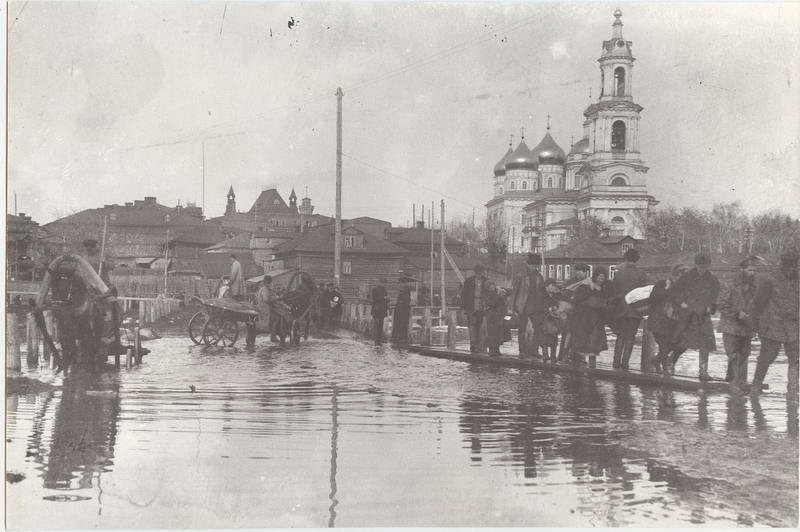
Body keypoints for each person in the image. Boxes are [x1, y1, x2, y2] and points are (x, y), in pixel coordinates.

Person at [751, 251, 799, 399]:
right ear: (782, 265)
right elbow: (758, 304)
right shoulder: (770, 280)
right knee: (766, 358)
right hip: (772, 326)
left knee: (795, 358)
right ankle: (756, 387)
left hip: (794, 327)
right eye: (787, 267)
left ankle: (792, 390)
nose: (790, 270)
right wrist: (755, 326)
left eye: (793, 267)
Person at [670, 253, 719, 381]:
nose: (702, 269)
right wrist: (682, 303)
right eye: (700, 266)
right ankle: (670, 362)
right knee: (684, 343)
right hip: (689, 315)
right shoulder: (687, 277)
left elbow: (715, 296)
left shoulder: (713, 279)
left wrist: (711, 306)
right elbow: (674, 292)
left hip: (703, 316)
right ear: (696, 264)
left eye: (705, 266)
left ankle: (703, 372)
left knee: (705, 344)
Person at [718, 257, 759, 393]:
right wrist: (737, 313)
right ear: (741, 270)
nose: (752, 273)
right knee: (733, 355)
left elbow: (758, 307)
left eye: (754, 270)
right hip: (730, 326)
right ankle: (735, 385)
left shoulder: (755, 287)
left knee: (745, 354)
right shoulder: (729, 285)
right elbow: (722, 305)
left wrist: (753, 319)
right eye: (749, 270)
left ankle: (737, 382)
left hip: (746, 327)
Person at [610, 248, 649, 369]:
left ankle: (616, 362)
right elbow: (643, 293)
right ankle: (625, 362)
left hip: (620, 309)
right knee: (630, 337)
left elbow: (614, 290)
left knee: (620, 336)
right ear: (636, 260)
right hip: (634, 310)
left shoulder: (618, 272)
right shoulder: (641, 273)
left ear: (626, 258)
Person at [648, 264, 690, 374]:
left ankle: (657, 361)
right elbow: (653, 298)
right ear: (676, 274)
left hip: (673, 322)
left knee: (682, 343)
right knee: (664, 344)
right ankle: (665, 368)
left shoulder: (683, 288)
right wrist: (666, 289)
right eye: (682, 275)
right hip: (658, 320)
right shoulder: (662, 283)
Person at [568, 266, 612, 368]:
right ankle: (576, 363)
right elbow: (577, 299)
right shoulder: (585, 286)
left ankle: (592, 364)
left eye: (603, 278)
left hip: (597, 319)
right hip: (583, 318)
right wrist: (591, 290)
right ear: (595, 277)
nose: (601, 280)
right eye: (599, 278)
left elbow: (607, 301)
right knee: (580, 341)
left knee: (594, 341)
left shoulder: (605, 288)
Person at [511, 253, 548, 359]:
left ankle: (534, 350)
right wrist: (513, 307)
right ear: (528, 264)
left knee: (538, 329)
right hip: (523, 305)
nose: (534, 267)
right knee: (521, 329)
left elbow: (543, 291)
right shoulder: (521, 276)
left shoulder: (539, 276)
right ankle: (522, 351)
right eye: (532, 265)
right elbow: (515, 291)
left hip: (536, 307)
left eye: (536, 265)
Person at [461, 265, 489, 353]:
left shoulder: (486, 281)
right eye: (477, 273)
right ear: (475, 272)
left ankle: (481, 345)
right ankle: (473, 345)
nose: (479, 275)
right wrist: (464, 307)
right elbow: (464, 294)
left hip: (482, 307)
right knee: (472, 326)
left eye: (480, 273)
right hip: (471, 306)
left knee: (481, 326)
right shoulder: (469, 281)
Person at [247, 275, 275, 346]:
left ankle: (273, 333)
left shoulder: (262, 289)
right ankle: (272, 332)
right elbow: (266, 299)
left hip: (260, 306)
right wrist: (274, 299)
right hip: (264, 308)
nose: (269, 284)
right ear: (268, 282)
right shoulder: (265, 290)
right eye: (269, 283)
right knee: (275, 315)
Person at [539, 280, 563, 363]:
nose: (554, 287)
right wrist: (548, 310)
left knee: (554, 337)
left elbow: (558, 304)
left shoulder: (555, 295)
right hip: (545, 318)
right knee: (545, 337)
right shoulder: (542, 294)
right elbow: (540, 306)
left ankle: (553, 356)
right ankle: (545, 355)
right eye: (552, 285)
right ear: (547, 286)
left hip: (554, 319)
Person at [483, 280, 508, 356]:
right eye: (490, 286)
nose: (492, 287)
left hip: (498, 316)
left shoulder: (496, 294)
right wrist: (499, 295)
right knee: (492, 333)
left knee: (498, 333)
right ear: (488, 287)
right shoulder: (487, 295)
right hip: (491, 316)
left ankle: (496, 349)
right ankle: (492, 350)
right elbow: (492, 303)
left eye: (493, 285)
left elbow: (502, 303)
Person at [392, 277, 413, 343]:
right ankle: (398, 337)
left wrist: (401, 303)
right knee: (399, 323)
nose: (399, 285)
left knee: (402, 323)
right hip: (400, 308)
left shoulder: (405, 290)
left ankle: (401, 337)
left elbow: (407, 299)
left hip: (403, 309)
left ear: (403, 283)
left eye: (400, 283)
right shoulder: (403, 290)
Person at [371, 279, 390, 344]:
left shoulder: (384, 290)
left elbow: (386, 300)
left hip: (382, 309)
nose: (384, 284)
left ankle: (379, 338)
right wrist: (383, 298)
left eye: (385, 283)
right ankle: (375, 338)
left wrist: (388, 299)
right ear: (379, 282)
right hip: (376, 309)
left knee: (381, 324)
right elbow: (374, 299)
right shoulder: (375, 289)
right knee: (377, 323)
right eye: (383, 283)